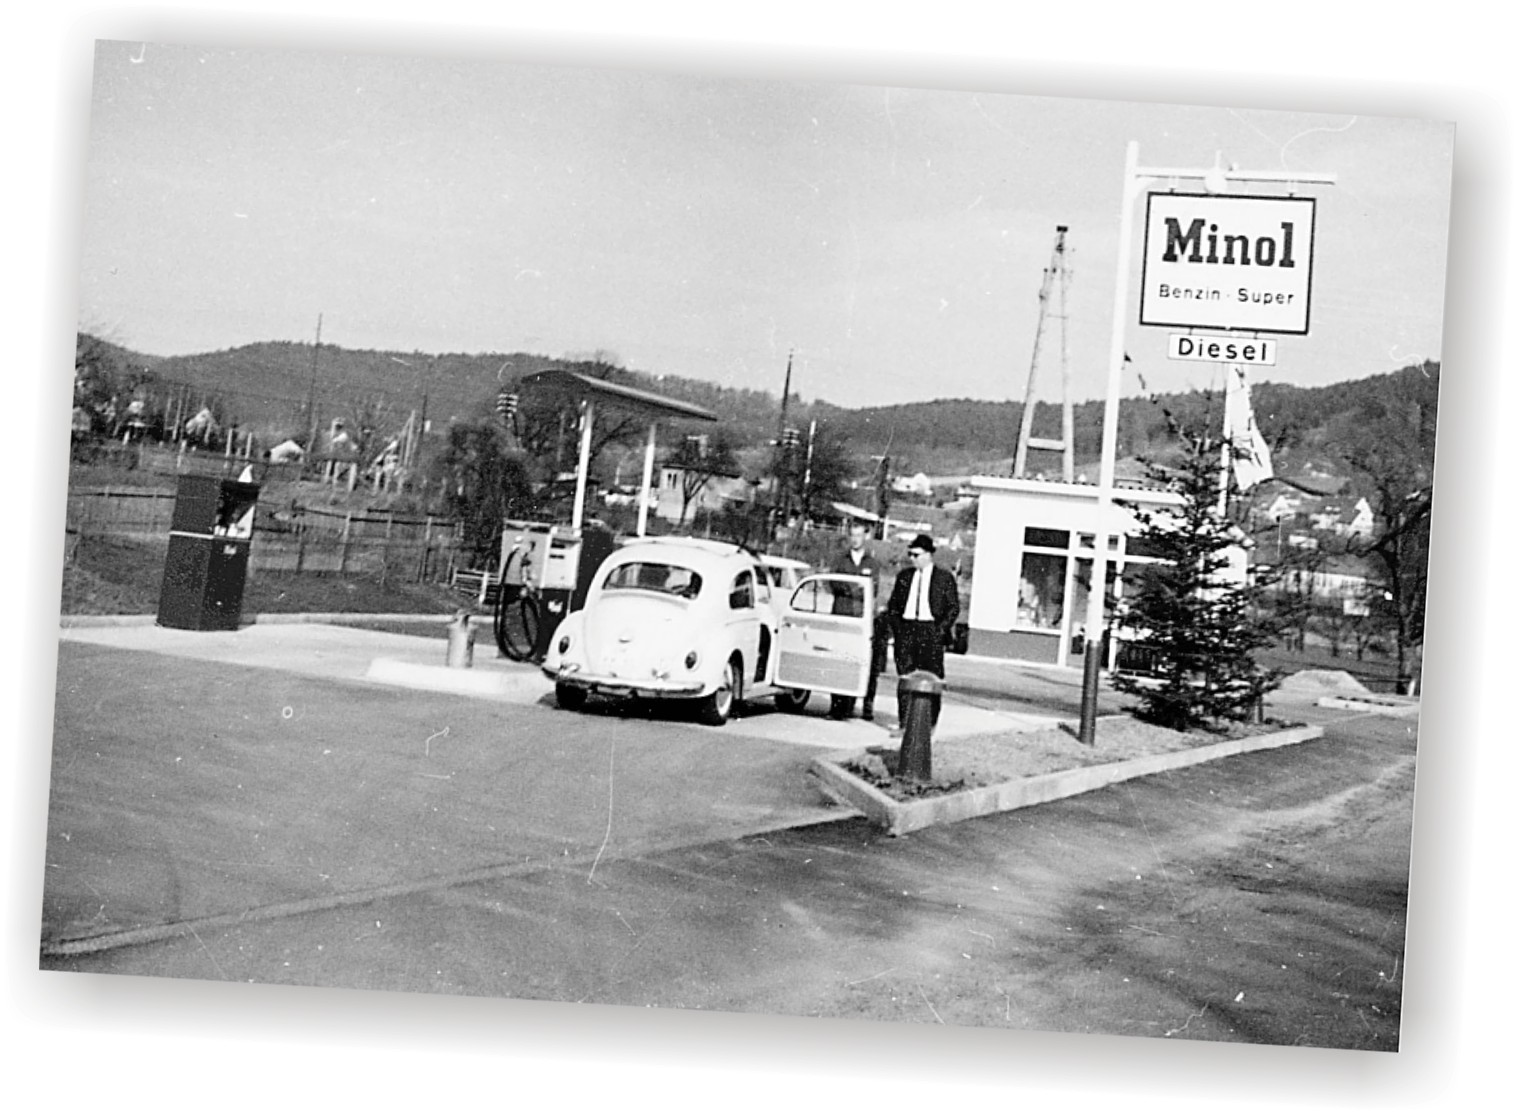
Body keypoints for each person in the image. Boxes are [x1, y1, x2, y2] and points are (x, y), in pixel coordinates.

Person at [884, 533, 959, 730]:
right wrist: (899, 631)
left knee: (931, 679)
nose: (912, 559)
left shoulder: (943, 578)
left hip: (931, 631)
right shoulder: (904, 577)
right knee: (906, 678)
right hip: (907, 630)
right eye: (910, 554)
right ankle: (904, 724)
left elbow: (953, 608)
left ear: (928, 555)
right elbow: (893, 607)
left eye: (916, 555)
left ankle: (929, 724)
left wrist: (939, 631)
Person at [826, 521, 888, 720]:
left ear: (866, 537)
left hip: (861, 620)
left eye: (859, 535)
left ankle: (856, 706)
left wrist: (857, 590)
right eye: (852, 535)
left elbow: (873, 589)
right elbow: (834, 583)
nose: (855, 539)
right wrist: (853, 589)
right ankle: (837, 707)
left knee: (858, 662)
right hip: (842, 617)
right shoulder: (840, 560)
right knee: (839, 662)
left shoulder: (872, 563)